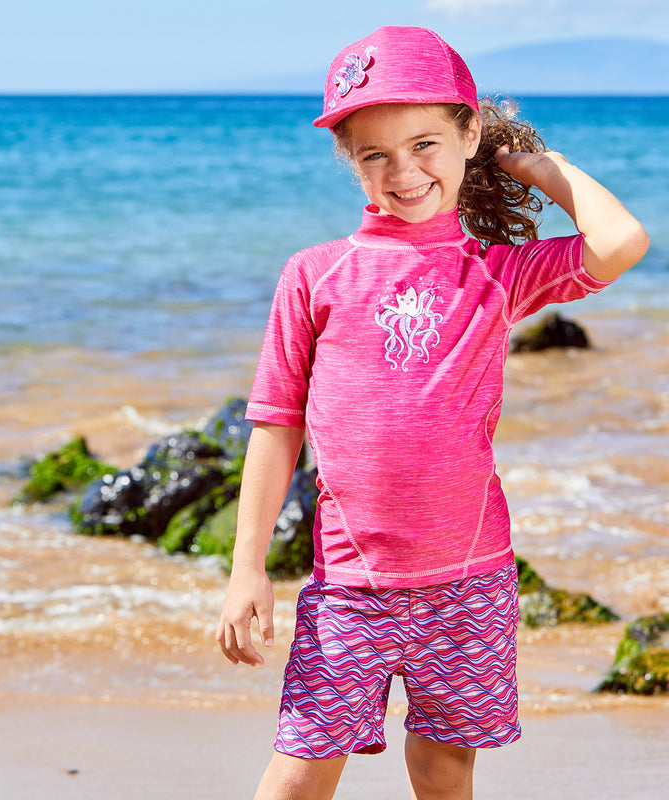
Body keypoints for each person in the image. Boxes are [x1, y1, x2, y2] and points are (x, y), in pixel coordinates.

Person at [216, 26, 649, 800]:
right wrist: (248, 568)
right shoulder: (315, 276)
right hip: (350, 588)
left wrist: (528, 163)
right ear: (350, 161)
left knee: (445, 771)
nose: (403, 172)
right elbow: (276, 424)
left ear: (467, 134)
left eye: (425, 144)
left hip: (471, 582)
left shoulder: (496, 274)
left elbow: (620, 241)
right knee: (300, 772)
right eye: (374, 154)